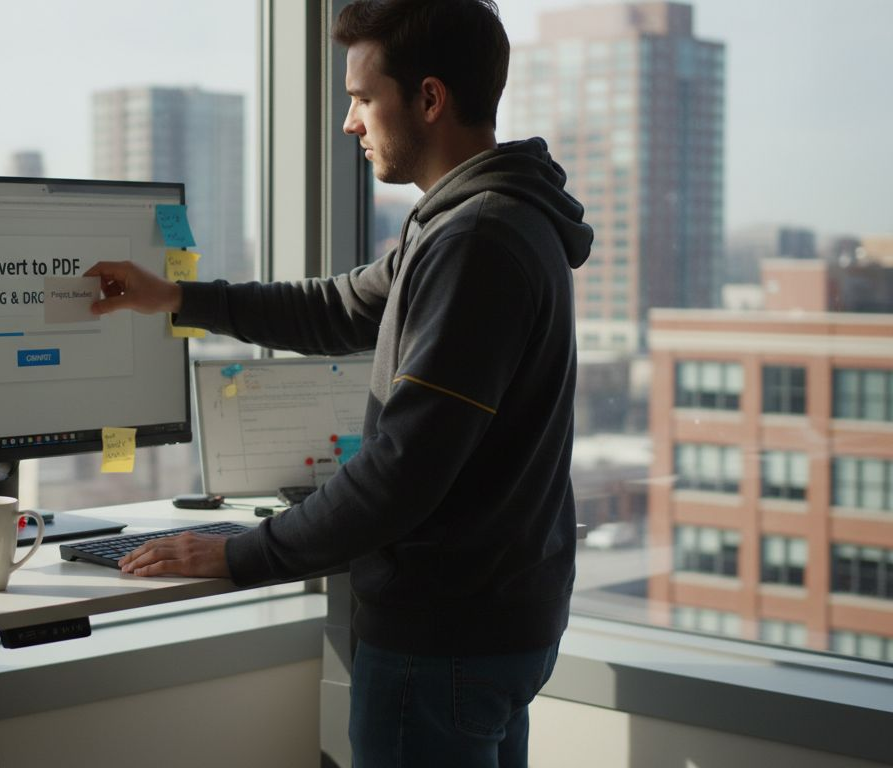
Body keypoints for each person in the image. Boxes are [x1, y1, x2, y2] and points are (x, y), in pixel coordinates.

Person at [87, 0, 591, 764]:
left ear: (429, 98)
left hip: (444, 636)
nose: (349, 123)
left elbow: (402, 472)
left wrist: (240, 553)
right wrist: (180, 298)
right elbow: (337, 307)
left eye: (361, 98)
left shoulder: (479, 240)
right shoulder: (468, 220)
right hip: (491, 621)